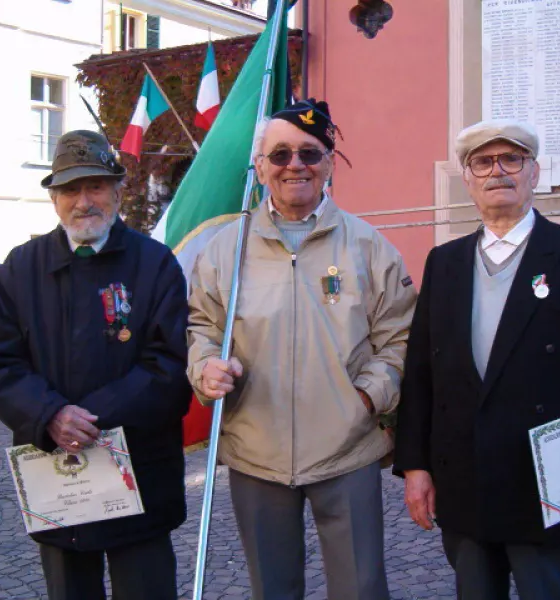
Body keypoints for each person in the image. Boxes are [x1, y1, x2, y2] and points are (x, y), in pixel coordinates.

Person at [393, 120, 560, 599]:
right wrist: (415, 466)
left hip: (550, 483)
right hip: (464, 478)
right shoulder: (443, 263)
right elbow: (422, 373)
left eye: (512, 159)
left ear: (534, 172)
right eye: (483, 162)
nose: (498, 172)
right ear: (468, 179)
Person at [187, 99, 417, 600]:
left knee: (360, 589)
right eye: (281, 154)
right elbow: (202, 324)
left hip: (347, 447)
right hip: (256, 448)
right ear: (262, 167)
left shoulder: (368, 245)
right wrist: (205, 365)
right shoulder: (226, 248)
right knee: (273, 590)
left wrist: (367, 397)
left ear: (330, 163)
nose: (295, 165)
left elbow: (400, 334)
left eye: (310, 154)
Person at [0, 130, 192, 600]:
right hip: (58, 474)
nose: (83, 201)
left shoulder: (156, 264)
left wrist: (91, 418)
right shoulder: (20, 268)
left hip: (141, 476)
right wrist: (50, 413)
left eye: (95, 186)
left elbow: (171, 363)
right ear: (54, 199)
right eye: (70, 189)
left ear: (117, 190)